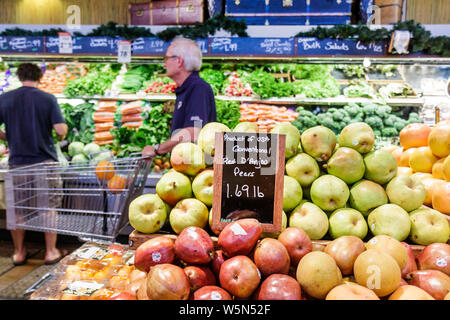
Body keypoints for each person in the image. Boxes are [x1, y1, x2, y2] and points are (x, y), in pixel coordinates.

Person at [0, 63, 69, 265]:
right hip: (44, 163)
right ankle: (50, 252)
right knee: (48, 209)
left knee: (18, 210)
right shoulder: (47, 99)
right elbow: (60, 130)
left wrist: (7, 136)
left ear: (20, 76)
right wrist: (63, 130)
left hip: (17, 164)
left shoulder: (5, 99)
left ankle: (19, 253)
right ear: (39, 77)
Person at [142, 37, 216, 158]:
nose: (164, 63)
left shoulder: (198, 88)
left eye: (167, 58)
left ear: (179, 61)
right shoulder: (186, 89)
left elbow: (193, 132)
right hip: (186, 164)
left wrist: (158, 150)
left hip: (195, 168)